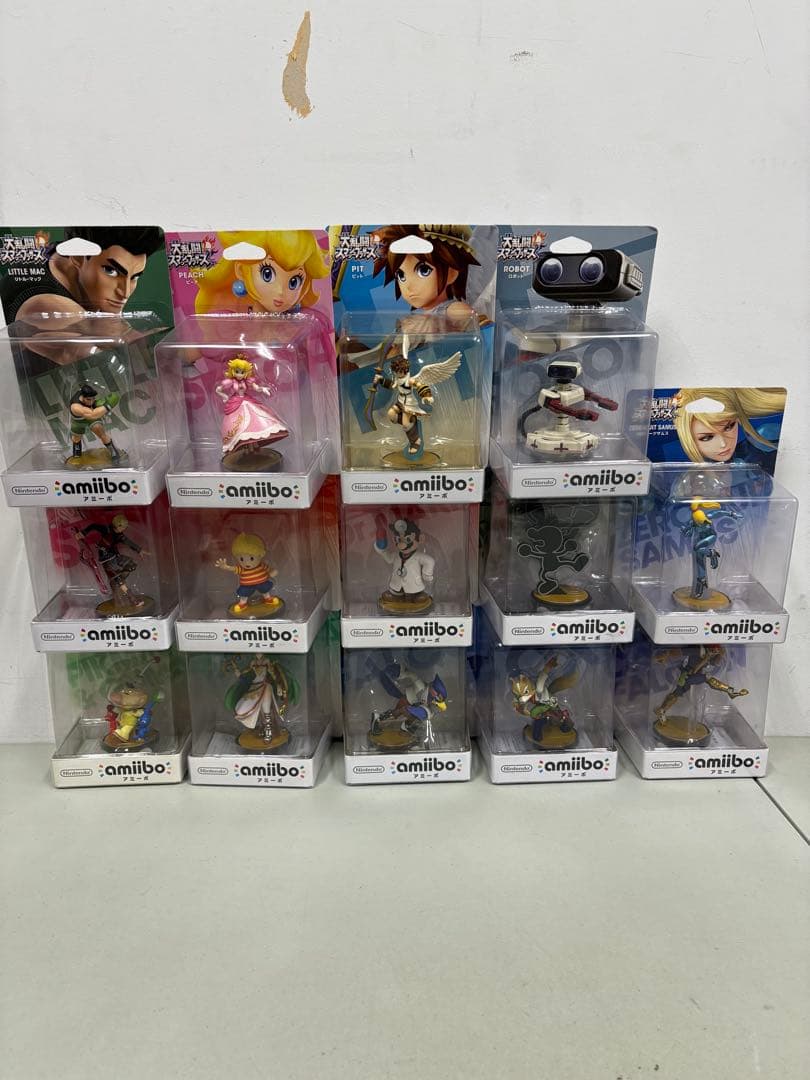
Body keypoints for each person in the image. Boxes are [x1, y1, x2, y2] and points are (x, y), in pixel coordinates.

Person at [194, 230, 329, 315]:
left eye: (294, 281)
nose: (280, 291)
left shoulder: (297, 328)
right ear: (241, 270)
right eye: (267, 274)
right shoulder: (231, 325)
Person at [372, 224, 480, 328]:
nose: (409, 286)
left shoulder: (453, 309)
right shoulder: (421, 316)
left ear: (451, 274)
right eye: (401, 275)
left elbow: (470, 319)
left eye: (424, 271)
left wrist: (436, 325)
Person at [673, 388, 786, 473]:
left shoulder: (759, 446)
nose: (723, 444)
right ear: (688, 438)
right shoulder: (692, 480)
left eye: (729, 427)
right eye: (707, 437)